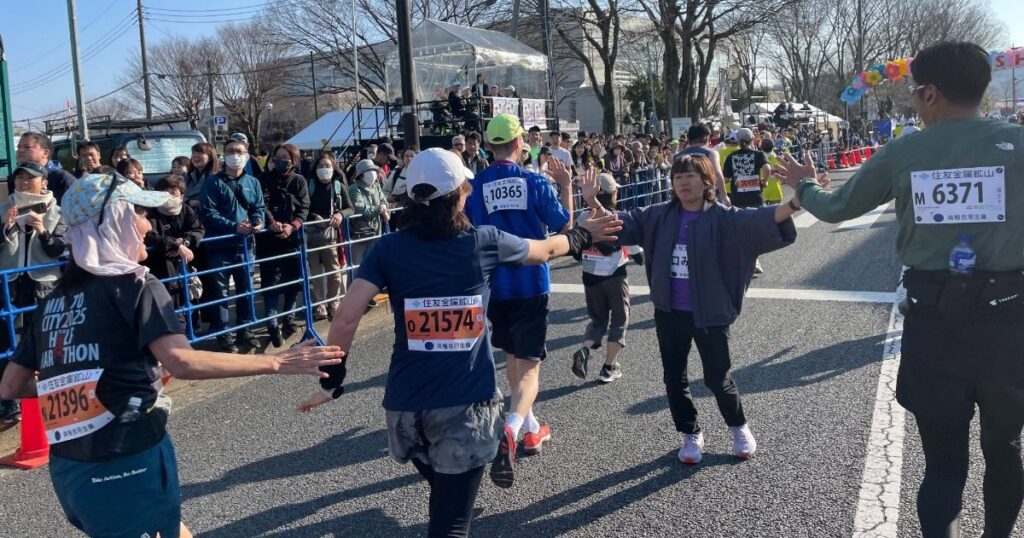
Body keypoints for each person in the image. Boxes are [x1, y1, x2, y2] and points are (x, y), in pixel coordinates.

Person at [297, 148, 620, 538]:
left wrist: (332, 381)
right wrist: (583, 233)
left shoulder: (388, 249)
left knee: (446, 492)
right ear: (459, 194)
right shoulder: (483, 241)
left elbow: (346, 317)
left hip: (405, 406)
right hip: (465, 405)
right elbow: (546, 250)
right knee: (451, 523)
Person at [0, 173, 343, 538]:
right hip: (127, 459)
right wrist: (278, 361)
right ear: (114, 221)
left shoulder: (53, 302)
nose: (148, 225)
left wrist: (87, 388)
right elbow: (182, 362)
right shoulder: (135, 286)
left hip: (70, 469)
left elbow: (12, 386)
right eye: (138, 213)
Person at [775, 41, 1024, 538]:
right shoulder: (1017, 144)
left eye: (914, 92)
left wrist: (804, 185)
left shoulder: (905, 151)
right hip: (1009, 320)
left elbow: (838, 208)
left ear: (930, 93)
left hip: (935, 320)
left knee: (943, 462)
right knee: (1005, 448)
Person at [581, 154, 798, 464]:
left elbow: (761, 220)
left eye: (691, 176)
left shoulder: (724, 217)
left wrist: (796, 202)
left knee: (718, 378)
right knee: (674, 378)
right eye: (678, 177)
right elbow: (620, 223)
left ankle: (738, 427)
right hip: (670, 313)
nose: (683, 182)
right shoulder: (658, 215)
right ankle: (689, 433)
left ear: (707, 181)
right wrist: (594, 202)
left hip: (711, 313)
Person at [465, 114, 575, 486]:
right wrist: (566, 185)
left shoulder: (475, 186)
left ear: (488, 146)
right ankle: (511, 430)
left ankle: (530, 428)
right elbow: (563, 226)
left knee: (512, 355)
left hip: (494, 286)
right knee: (529, 368)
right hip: (531, 282)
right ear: (518, 144)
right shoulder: (535, 182)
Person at [0, 163, 67, 424]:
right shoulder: (5, 208)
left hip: (44, 283)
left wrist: (42, 231)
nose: (24, 182)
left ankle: (51, 396)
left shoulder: (57, 211)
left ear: (44, 183)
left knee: (45, 339)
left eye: (31, 178)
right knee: (9, 340)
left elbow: (58, 249)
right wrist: (6, 228)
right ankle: (9, 402)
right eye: (20, 177)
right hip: (11, 283)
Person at [570, 171, 642, 383]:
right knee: (619, 320)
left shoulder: (583, 217)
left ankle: (585, 349)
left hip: (590, 277)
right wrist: (639, 255)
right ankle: (609, 367)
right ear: (613, 194)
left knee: (598, 319)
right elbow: (635, 250)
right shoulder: (616, 217)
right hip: (614, 275)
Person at [199, 139, 266, 353]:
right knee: (221, 292)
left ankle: (245, 330)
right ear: (223, 155)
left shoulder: (253, 182)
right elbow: (207, 212)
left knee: (247, 289)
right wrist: (233, 226)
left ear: (247, 155)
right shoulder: (212, 182)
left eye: (240, 151)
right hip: (220, 246)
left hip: (246, 245)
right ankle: (224, 334)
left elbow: (258, 207)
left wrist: (258, 221)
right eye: (230, 151)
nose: (235, 155)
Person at [257, 143, 310, 347]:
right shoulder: (263, 179)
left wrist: (293, 226)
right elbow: (261, 204)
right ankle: (272, 323)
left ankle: (289, 318)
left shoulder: (299, 180)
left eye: (286, 157)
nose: (281, 160)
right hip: (269, 238)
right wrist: (271, 222)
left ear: (294, 161)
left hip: (293, 237)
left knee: (293, 280)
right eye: (278, 157)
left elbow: (304, 207)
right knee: (271, 282)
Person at [143, 175, 204, 314]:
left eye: (173, 194)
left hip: (184, 263)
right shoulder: (151, 212)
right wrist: (175, 246)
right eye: (164, 193)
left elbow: (198, 229)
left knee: (187, 299)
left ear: (181, 196)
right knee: (165, 303)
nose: (169, 197)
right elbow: (150, 235)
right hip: (159, 264)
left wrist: (184, 242)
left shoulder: (186, 210)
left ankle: (190, 324)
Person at [306, 152, 353, 321]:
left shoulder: (338, 186)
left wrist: (340, 214)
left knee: (334, 271)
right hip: (310, 236)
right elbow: (301, 208)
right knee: (314, 273)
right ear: (315, 168)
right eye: (320, 166)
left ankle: (334, 302)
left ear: (334, 168)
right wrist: (313, 217)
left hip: (330, 236)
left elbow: (350, 208)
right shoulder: (309, 185)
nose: (324, 169)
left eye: (327, 166)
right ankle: (319, 305)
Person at [348, 159, 389, 288]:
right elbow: (360, 208)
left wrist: (384, 205)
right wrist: (379, 209)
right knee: (357, 266)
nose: (372, 173)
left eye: (373, 170)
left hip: (375, 231)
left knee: (373, 264)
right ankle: (354, 291)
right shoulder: (354, 189)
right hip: (359, 233)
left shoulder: (376, 186)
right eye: (368, 171)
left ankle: (371, 290)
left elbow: (384, 199)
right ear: (361, 174)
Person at [6, 132, 77, 205]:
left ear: (45, 153)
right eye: (19, 147)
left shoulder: (62, 178)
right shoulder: (14, 178)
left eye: (27, 147)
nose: (20, 150)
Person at [678, 124, 731, 206]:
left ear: (688, 139)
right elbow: (717, 173)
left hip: (683, 197)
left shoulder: (678, 156)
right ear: (707, 138)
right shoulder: (711, 153)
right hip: (706, 197)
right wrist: (724, 196)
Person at [186, 143, 220, 210]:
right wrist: (189, 202)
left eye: (200, 153)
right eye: (194, 153)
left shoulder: (218, 178)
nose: (195, 155)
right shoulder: (187, 177)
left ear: (210, 158)